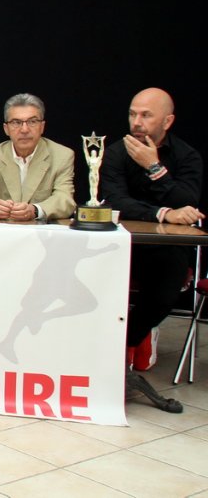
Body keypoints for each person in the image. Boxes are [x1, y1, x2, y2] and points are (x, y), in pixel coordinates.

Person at [101, 87, 203, 413]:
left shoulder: (187, 157)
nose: (137, 122)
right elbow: (115, 201)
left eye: (146, 115)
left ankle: (125, 346)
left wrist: (154, 167)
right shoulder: (116, 153)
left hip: (164, 250)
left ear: (168, 121)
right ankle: (102, 350)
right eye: (133, 114)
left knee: (166, 285)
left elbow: (188, 200)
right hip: (119, 245)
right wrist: (163, 212)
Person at [0, 93, 75, 221]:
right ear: (6, 129)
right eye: (16, 122)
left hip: (44, 235)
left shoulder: (62, 155)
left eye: (32, 122)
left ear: (42, 126)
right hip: (3, 233)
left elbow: (64, 199)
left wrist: (35, 210)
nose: (24, 129)